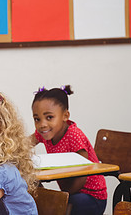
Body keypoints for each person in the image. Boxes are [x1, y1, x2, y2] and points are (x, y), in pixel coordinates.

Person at [31, 85, 107, 215]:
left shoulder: (74, 135)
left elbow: (83, 172)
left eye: (49, 117)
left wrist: (61, 196)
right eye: (37, 119)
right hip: (70, 194)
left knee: (61, 205)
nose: (42, 124)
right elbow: (21, 145)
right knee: (32, 193)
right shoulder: (44, 133)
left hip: (91, 196)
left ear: (65, 116)